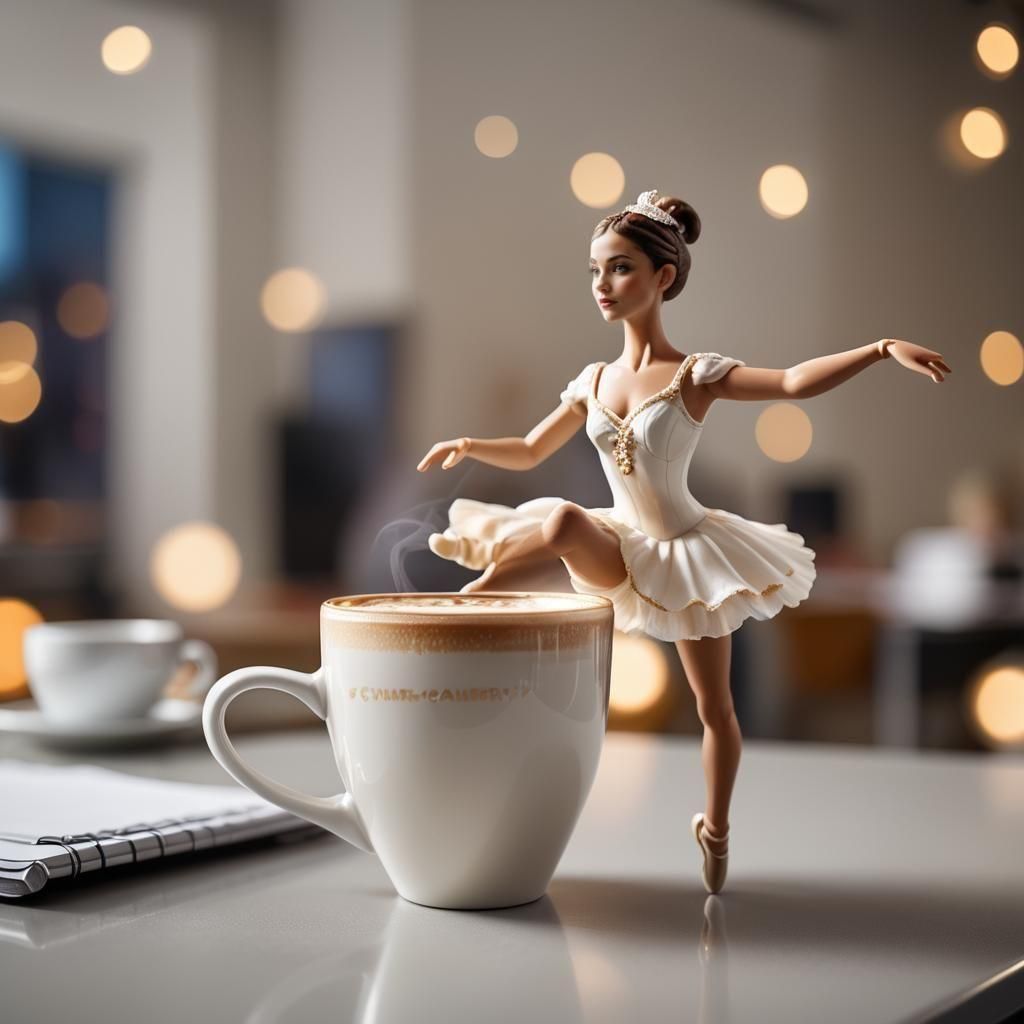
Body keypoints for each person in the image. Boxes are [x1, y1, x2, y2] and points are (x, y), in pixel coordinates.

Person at [416, 188, 952, 894]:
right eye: (595, 271)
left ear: (663, 278)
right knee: (561, 523)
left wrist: (880, 349)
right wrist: (470, 444)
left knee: (714, 709)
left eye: (621, 269)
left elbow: (791, 383)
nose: (604, 286)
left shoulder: (695, 376)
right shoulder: (592, 381)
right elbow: (528, 449)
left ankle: (717, 827)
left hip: (687, 552)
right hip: (618, 536)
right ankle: (479, 595)